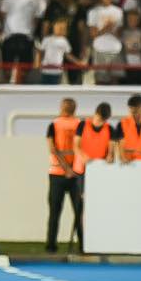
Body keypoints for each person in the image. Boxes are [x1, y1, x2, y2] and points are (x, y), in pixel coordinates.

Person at [45, 97, 83, 251]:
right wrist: (73, 168)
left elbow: (52, 148)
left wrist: (66, 168)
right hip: (76, 174)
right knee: (79, 212)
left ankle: (51, 245)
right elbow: (82, 147)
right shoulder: (80, 124)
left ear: (62, 108)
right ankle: (84, 245)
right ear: (74, 109)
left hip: (57, 172)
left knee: (54, 212)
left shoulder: (54, 124)